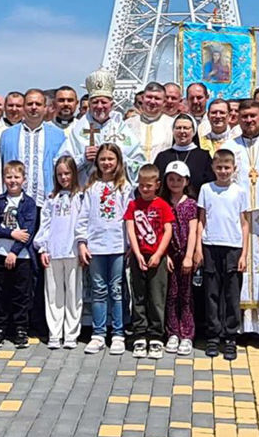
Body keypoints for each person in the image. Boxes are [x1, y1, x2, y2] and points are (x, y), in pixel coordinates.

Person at [219, 100, 259, 340]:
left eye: (253, 116)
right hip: (239, 218)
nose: (249, 120)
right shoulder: (228, 146)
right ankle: (240, 326)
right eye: (244, 116)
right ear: (238, 118)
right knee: (239, 271)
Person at [83, 144, 133, 355]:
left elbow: (129, 217)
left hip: (117, 246)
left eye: (111, 159)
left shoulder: (124, 187)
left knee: (117, 289)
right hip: (96, 246)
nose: (106, 163)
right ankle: (98, 333)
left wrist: (130, 243)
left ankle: (119, 333)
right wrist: (81, 242)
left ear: (118, 161)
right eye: (102, 159)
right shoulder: (91, 187)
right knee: (99, 290)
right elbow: (83, 216)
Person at [199, 150, 248, 361]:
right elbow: (202, 219)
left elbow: (244, 224)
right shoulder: (206, 189)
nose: (223, 171)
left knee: (231, 294)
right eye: (219, 167)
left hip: (233, 247)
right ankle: (213, 336)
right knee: (211, 293)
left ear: (234, 169)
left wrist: (244, 254)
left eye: (227, 168)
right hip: (210, 244)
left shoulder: (239, 191)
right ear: (213, 168)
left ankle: (230, 338)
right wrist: (198, 248)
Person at [37, 156, 88, 350]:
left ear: (74, 173)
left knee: (73, 292)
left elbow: (84, 223)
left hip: (73, 250)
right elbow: (45, 224)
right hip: (53, 250)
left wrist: (83, 245)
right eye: (60, 174)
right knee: (53, 293)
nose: (64, 177)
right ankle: (55, 332)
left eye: (67, 173)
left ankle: (71, 333)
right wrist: (42, 247)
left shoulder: (80, 197)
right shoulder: (51, 198)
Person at [123, 166, 175, 359]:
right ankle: (139, 334)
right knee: (138, 296)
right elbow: (130, 230)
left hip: (157, 258)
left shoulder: (162, 205)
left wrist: (159, 254)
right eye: (142, 186)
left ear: (157, 185)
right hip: (139, 257)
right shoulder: (133, 205)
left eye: (149, 186)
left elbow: (168, 231)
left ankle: (155, 336)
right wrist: (137, 255)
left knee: (156, 297)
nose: (145, 190)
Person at [0, 162, 38, 349]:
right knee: (0, 292)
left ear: (23, 179)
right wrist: (11, 234)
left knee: (20, 294)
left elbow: (29, 231)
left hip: (21, 256)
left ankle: (20, 329)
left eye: (16, 177)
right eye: (9, 177)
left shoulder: (29, 203)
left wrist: (14, 252)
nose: (13, 181)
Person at [61, 72, 143, 183]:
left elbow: (140, 167)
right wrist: (83, 158)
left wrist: (119, 158)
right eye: (95, 102)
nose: (99, 106)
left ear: (112, 105)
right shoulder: (77, 130)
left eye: (103, 102)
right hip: (84, 193)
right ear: (89, 104)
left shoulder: (123, 130)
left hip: (117, 193)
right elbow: (60, 165)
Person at [0, 90, 67, 209]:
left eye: (38, 104)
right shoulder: (7, 135)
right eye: (30, 104)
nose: (34, 107)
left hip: (46, 200)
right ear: (24, 107)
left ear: (45, 107)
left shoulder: (58, 135)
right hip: (14, 202)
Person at [162, 162, 201, 357]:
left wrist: (189, 256)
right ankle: (173, 332)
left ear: (186, 181)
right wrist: (166, 255)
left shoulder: (191, 204)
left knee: (186, 296)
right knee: (171, 295)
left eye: (179, 179)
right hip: (170, 255)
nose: (175, 183)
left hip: (185, 255)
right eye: (171, 179)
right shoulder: (163, 202)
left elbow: (193, 231)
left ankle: (187, 334)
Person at [154, 116, 214, 198]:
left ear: (193, 131)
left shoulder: (204, 156)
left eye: (186, 128)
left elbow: (210, 184)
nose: (182, 131)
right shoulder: (163, 157)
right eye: (178, 128)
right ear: (173, 131)